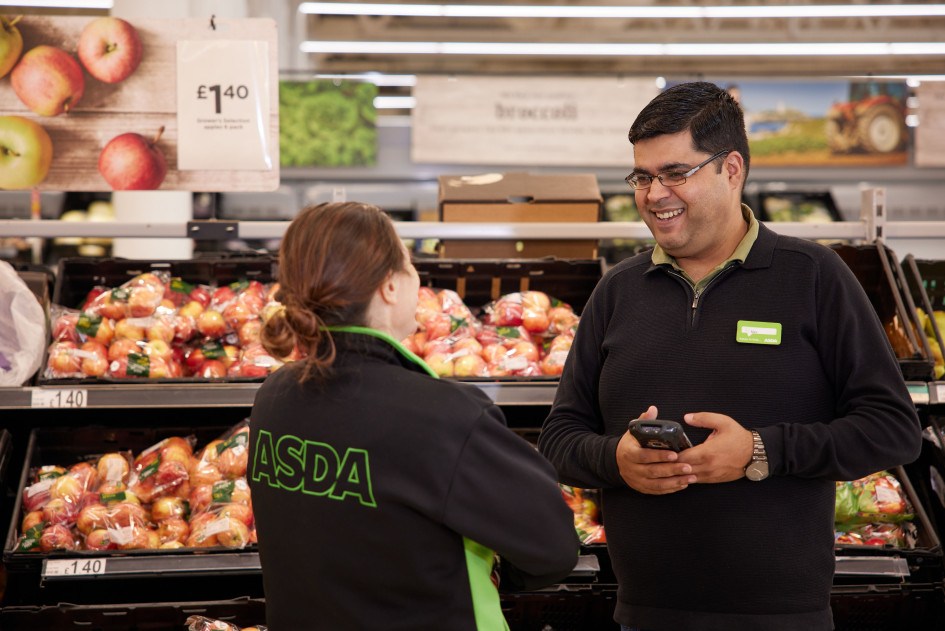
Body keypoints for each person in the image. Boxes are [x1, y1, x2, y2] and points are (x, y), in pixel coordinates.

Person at [538, 81, 922, 631]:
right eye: (643, 177)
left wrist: (760, 451)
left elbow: (893, 430)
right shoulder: (617, 291)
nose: (655, 194)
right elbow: (559, 437)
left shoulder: (814, 277)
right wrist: (614, 460)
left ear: (732, 169)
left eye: (676, 173)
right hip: (644, 615)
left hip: (782, 618)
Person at [248, 201, 578, 630]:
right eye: (410, 264)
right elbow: (553, 547)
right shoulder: (444, 416)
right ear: (389, 286)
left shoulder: (273, 398)